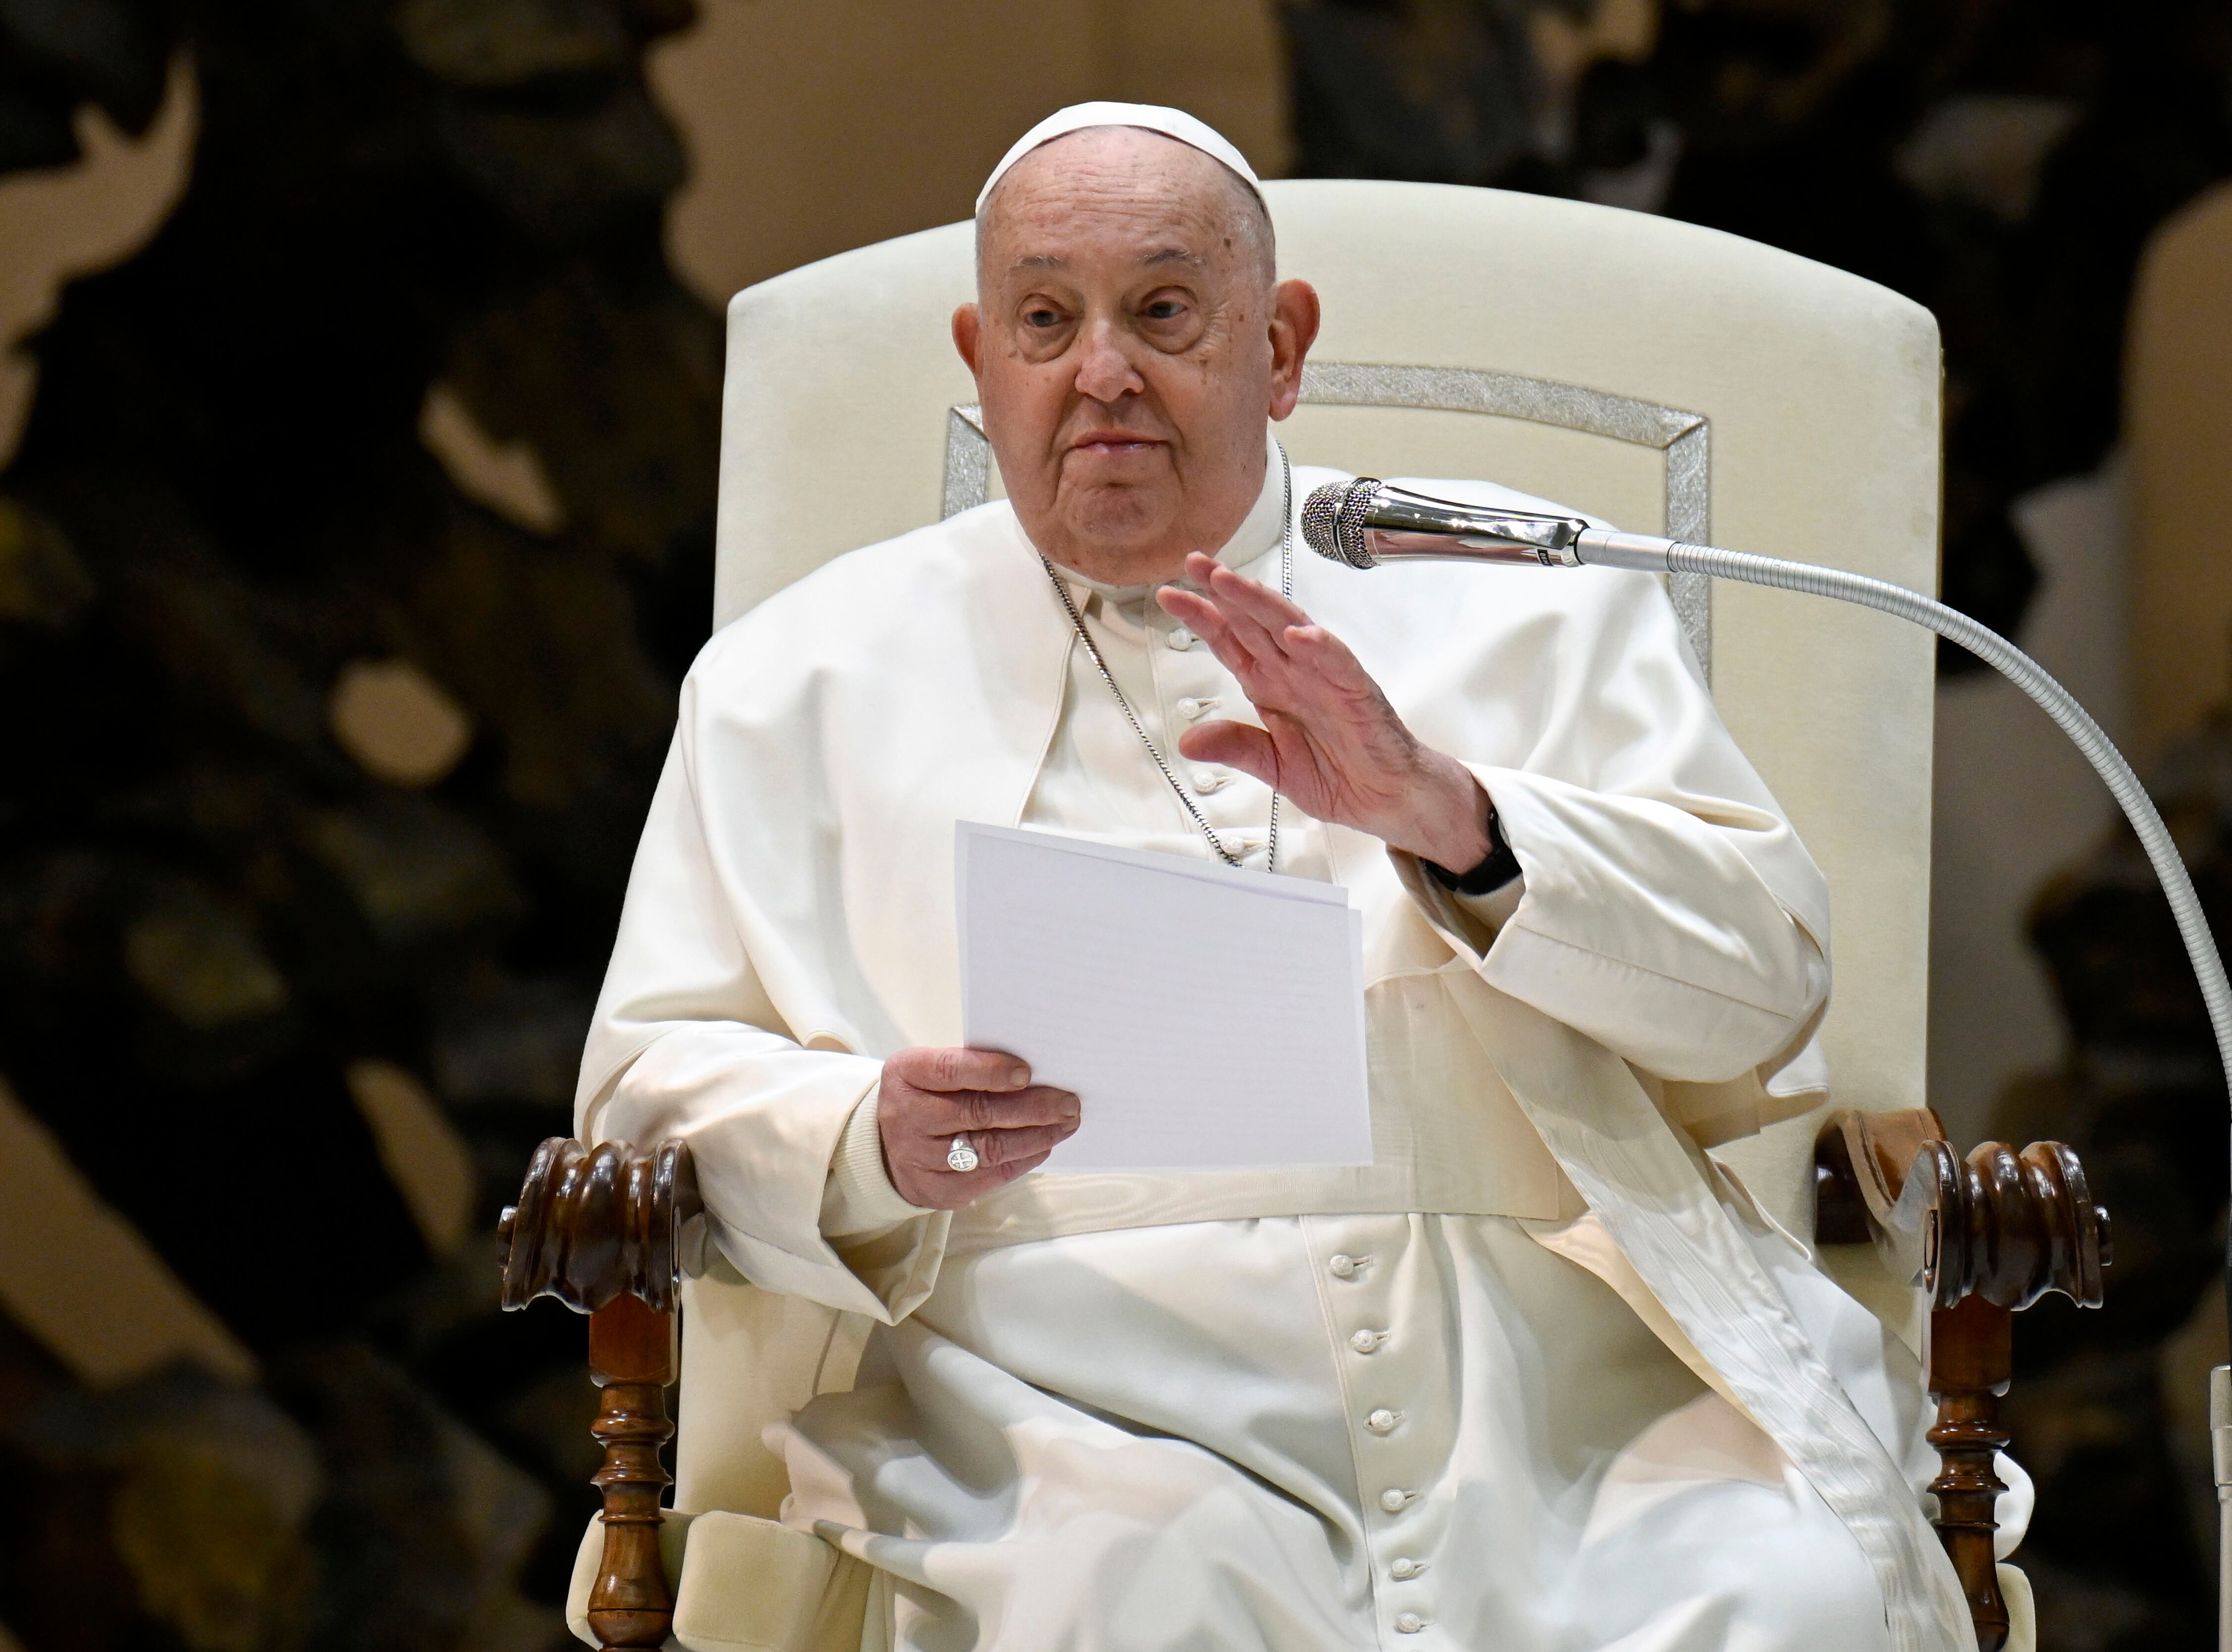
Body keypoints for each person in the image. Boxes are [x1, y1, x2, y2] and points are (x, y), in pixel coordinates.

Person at [581, 103, 1988, 1652]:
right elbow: (643, 1096)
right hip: (1061, 1417)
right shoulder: (790, 682)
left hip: (1563, 1392)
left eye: (1163, 311)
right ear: (981, 361)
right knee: (1127, 1599)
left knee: (1787, 1601)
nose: (1102, 371)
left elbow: (1768, 983)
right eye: (1045, 321)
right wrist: (862, 1137)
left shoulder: (1532, 600)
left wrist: (1458, 821)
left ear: (1282, 345)